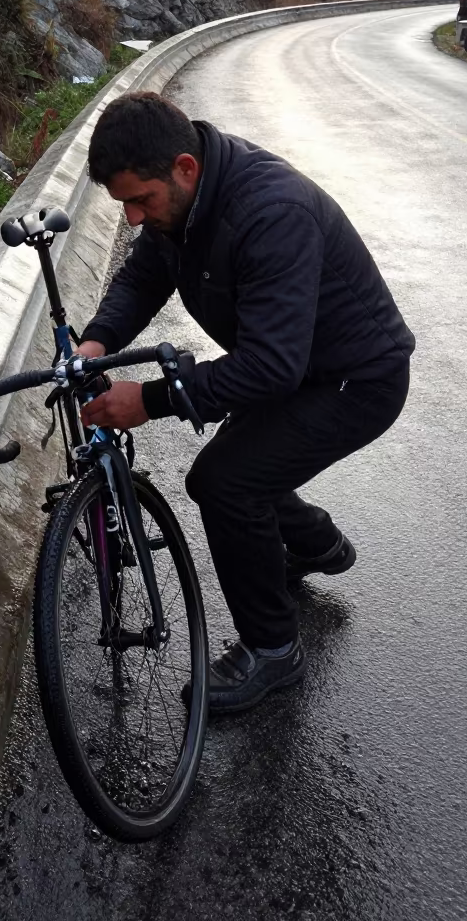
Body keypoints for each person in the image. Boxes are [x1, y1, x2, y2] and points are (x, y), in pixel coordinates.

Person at [76, 93, 414, 714]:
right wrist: (97, 341)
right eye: (121, 203)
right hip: (298, 369)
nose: (131, 217)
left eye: (140, 200)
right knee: (249, 457)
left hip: (355, 380)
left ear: (184, 167)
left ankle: (273, 650)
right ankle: (317, 546)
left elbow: (269, 366)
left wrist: (149, 400)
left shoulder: (269, 211)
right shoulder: (178, 209)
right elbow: (143, 276)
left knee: (226, 480)